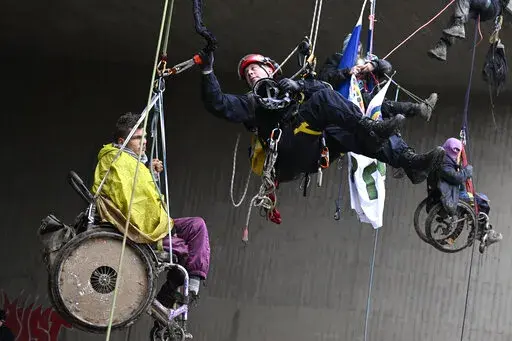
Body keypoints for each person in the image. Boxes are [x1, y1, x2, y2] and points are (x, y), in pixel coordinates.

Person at [199, 51, 445, 190]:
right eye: (247, 73)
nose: (250, 73)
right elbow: (218, 103)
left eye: (254, 68)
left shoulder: (290, 88)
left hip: (313, 146)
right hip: (287, 150)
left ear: (271, 69)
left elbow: (321, 86)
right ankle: (370, 128)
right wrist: (208, 71)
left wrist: (299, 85)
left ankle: (410, 163)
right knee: (328, 101)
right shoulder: (252, 102)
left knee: (351, 133)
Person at [92, 112, 211, 309]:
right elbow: (128, 202)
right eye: (139, 138)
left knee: (197, 226)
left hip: (156, 222)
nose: (145, 141)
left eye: (145, 136)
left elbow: (142, 196)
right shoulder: (117, 160)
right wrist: (161, 225)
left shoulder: (133, 162)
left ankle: (192, 287)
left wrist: (152, 176)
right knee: (186, 247)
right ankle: (169, 292)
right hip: (139, 228)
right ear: (123, 140)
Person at [318, 34, 438, 122]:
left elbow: (387, 67)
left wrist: (373, 65)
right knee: (377, 104)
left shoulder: (363, 63)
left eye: (359, 52)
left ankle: (419, 109)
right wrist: (347, 72)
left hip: (363, 103)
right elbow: (324, 78)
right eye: (355, 52)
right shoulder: (336, 60)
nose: (357, 55)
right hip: (344, 99)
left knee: (383, 104)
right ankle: (417, 109)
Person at [426, 137, 502, 247]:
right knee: (482, 201)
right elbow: (456, 177)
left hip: (447, 193)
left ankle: (477, 232)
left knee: (472, 205)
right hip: (451, 196)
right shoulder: (444, 164)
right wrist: (467, 171)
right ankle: (481, 232)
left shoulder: (441, 159)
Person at [428, 0, 510, 61]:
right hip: (488, 10)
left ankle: (459, 25)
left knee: (459, 16)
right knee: (457, 14)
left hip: (491, 4)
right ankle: (443, 47)